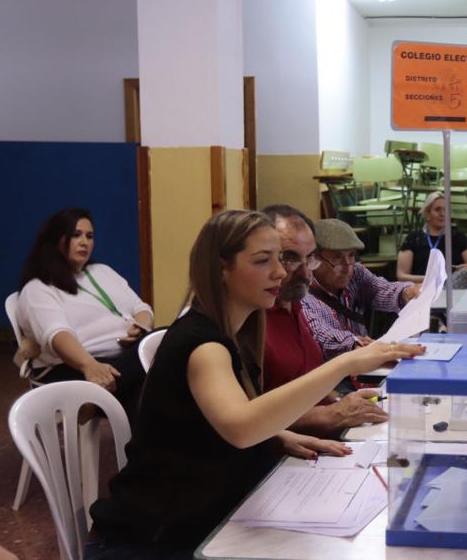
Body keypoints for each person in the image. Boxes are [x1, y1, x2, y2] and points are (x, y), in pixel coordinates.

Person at [86, 210, 423, 558]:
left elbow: (206, 425)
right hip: (148, 542)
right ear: (221, 269)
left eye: (281, 258)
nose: (280, 272)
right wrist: (345, 363)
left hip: (200, 523)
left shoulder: (239, 332)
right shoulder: (204, 344)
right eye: (264, 261)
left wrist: (279, 435)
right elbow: (242, 427)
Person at [259, 205, 401, 435]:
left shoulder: (293, 303)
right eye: (289, 259)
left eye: (309, 259)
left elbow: (307, 382)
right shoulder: (245, 320)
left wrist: (342, 400)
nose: (306, 273)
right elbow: (248, 419)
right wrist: (332, 412)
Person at [16, 207, 152, 417]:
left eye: (89, 236)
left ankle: (96, 405)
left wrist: (141, 325)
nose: (84, 242)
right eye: (76, 235)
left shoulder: (102, 272)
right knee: (159, 373)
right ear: (55, 240)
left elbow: (141, 308)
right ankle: (96, 401)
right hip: (77, 367)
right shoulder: (38, 288)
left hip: (123, 358)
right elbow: (57, 335)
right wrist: (89, 365)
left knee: (162, 347)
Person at [305, 217, 420, 358]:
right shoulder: (302, 293)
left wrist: (407, 292)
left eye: (351, 255)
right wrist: (356, 343)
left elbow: (381, 290)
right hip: (333, 372)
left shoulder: (356, 273)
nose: (347, 267)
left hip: (365, 361)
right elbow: (320, 333)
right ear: (314, 259)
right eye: (337, 258)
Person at [397, 190, 467, 288]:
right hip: (421, 292)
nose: (442, 214)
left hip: (454, 292)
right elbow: (401, 276)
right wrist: (434, 279)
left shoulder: (460, 238)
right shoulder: (413, 239)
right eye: (437, 209)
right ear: (427, 213)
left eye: (445, 210)